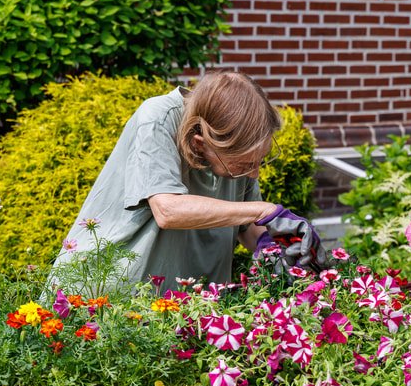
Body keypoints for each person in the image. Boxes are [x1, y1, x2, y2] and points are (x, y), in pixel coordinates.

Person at [52, 70, 326, 292]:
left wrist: (278, 245)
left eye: (258, 162)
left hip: (188, 307)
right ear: (200, 142)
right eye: (244, 163)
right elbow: (168, 210)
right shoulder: (159, 118)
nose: (253, 173)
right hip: (106, 304)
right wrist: (263, 211)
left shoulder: (238, 155)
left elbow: (246, 226)